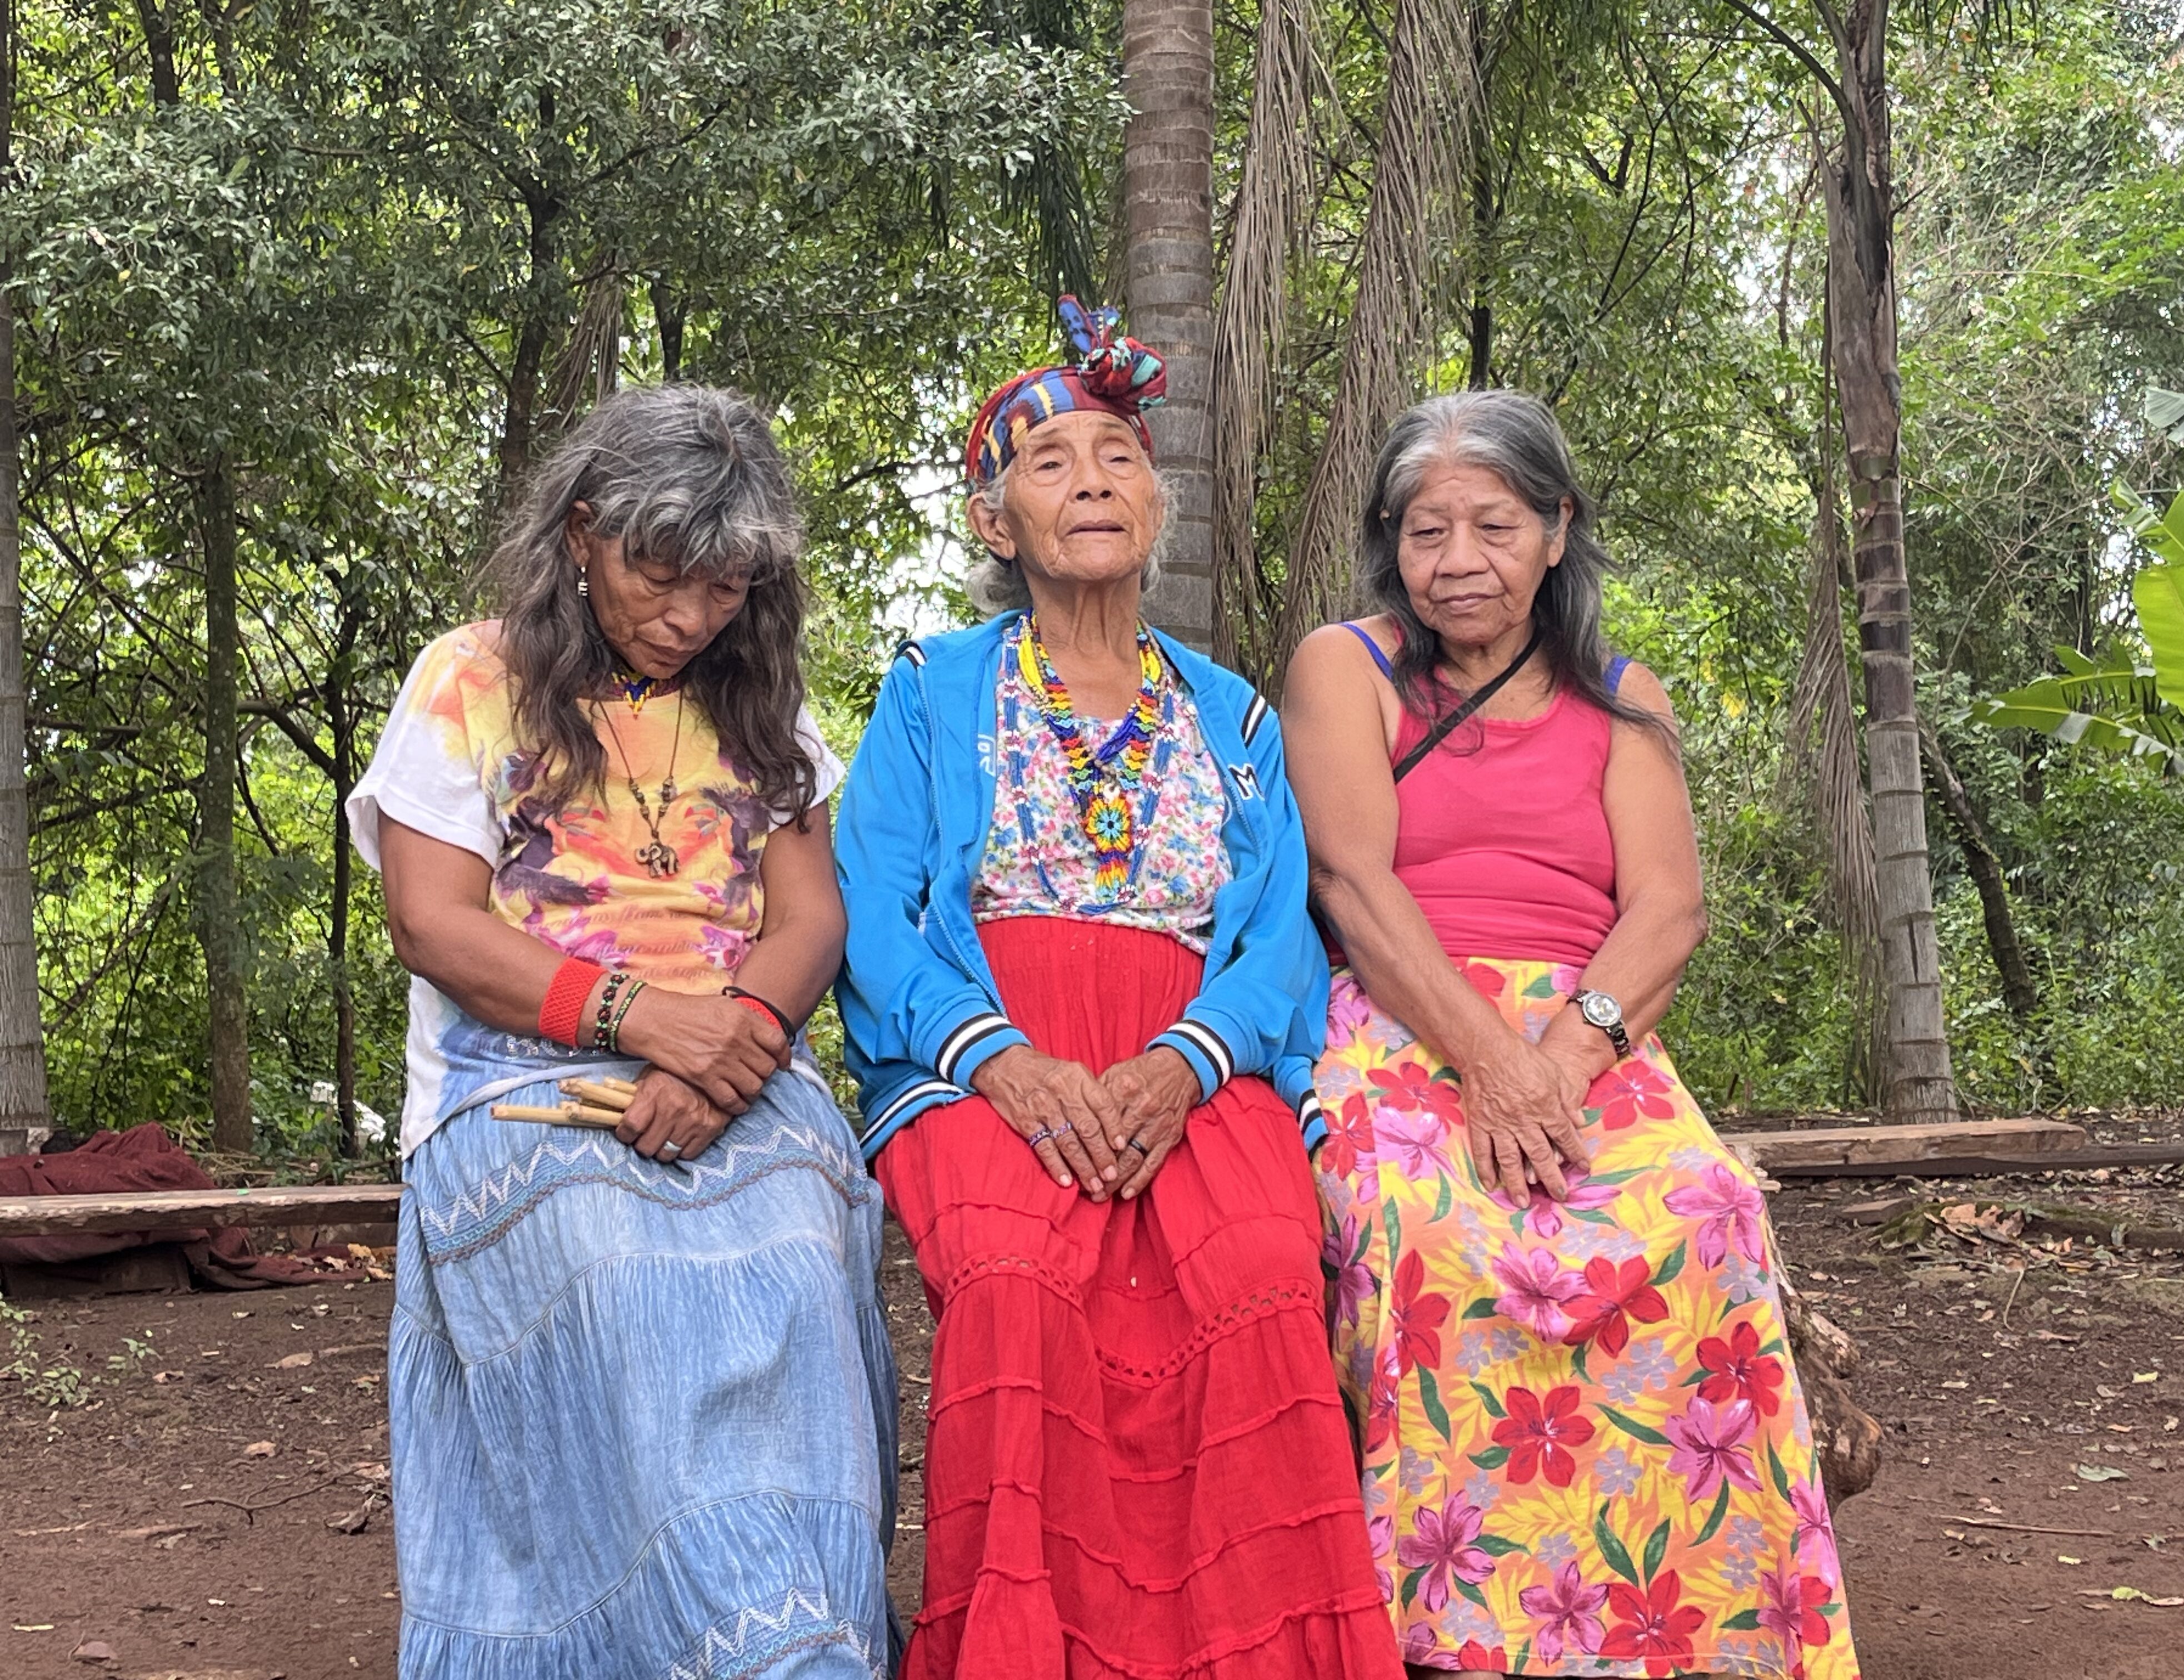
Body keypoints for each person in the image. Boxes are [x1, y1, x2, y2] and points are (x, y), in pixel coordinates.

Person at [837, 298, 1403, 1679]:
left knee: (1264, 1277)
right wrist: (1003, 1066)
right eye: (1049, 463)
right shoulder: (931, 691)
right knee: (1014, 1280)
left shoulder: (1235, 713)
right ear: (994, 523)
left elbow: (1277, 935)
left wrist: (1183, 1065)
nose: (1091, 478)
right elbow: (874, 910)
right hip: (984, 1059)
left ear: (1156, 499)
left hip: (1190, 1063)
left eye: (1116, 456)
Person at [1283, 390, 1861, 1678]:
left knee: (1706, 1212)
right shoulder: (1350, 665)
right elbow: (1355, 888)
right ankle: (1449, 1624)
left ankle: (1696, 1616)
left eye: (1493, 525)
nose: (1458, 560)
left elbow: (1668, 907)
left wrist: (1560, 1059)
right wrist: (1490, 1064)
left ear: (1556, 530)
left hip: (1585, 1024)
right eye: (1427, 531)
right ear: (1392, 544)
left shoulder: (1618, 693)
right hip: (1403, 1012)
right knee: (1420, 1225)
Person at [349, 385, 898, 1678]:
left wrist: (732, 1049)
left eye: (725, 588)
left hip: (740, 1065)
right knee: (618, 1272)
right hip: (524, 1083)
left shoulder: (765, 702)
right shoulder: (472, 677)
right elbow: (434, 926)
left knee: (801, 1263)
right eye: (662, 576)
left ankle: (800, 1644)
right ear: (583, 533)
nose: (691, 617)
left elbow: (810, 922)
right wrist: (646, 1023)